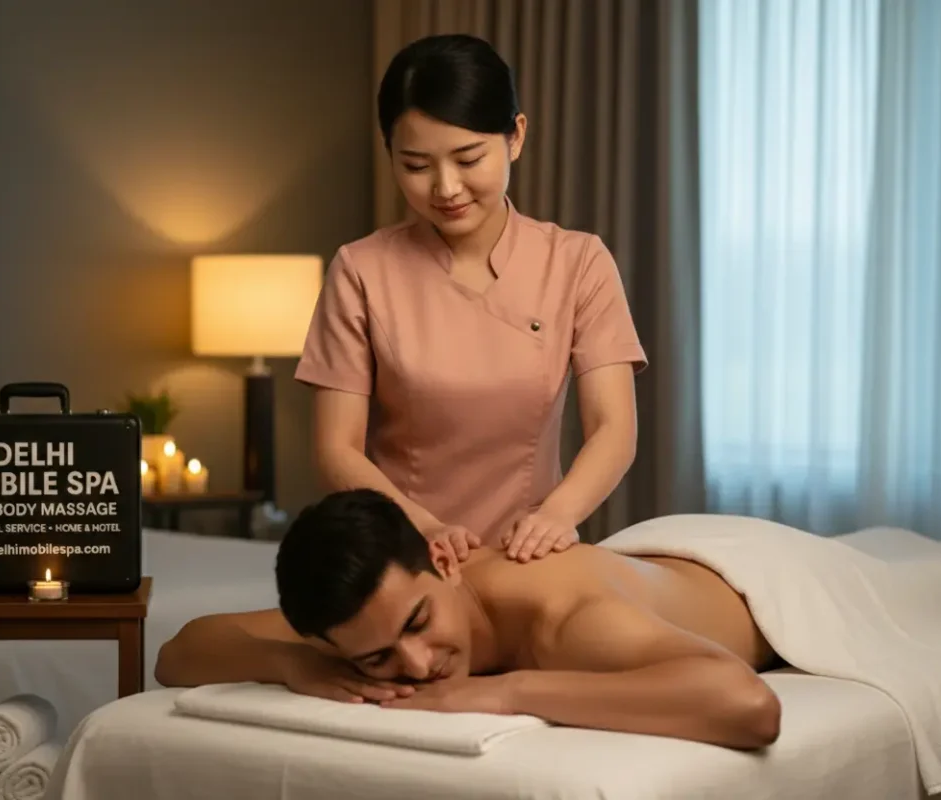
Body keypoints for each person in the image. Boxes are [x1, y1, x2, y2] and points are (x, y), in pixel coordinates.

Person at [294, 33, 646, 564]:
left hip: (532, 554)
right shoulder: (361, 270)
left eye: (468, 159)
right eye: (415, 165)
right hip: (404, 552)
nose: (446, 188)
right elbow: (336, 448)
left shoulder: (578, 263)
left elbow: (613, 429)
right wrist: (424, 528)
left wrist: (556, 517)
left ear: (515, 137)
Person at [155, 489, 783, 751]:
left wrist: (506, 691)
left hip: (754, 569)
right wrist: (290, 663)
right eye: (376, 659)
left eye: (419, 622)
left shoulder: (566, 621)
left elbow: (749, 705)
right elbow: (179, 652)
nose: (419, 665)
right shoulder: (365, 616)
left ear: (442, 560)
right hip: (643, 564)